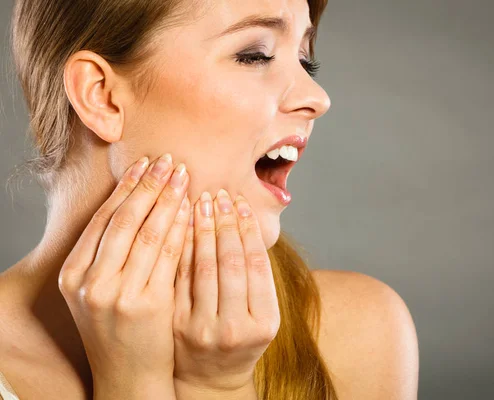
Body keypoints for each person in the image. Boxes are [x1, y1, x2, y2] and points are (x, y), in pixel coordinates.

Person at [0, 0, 419, 398]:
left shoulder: (356, 332)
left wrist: (217, 388)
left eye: (306, 60)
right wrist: (132, 381)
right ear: (102, 96)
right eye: (255, 55)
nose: (317, 97)